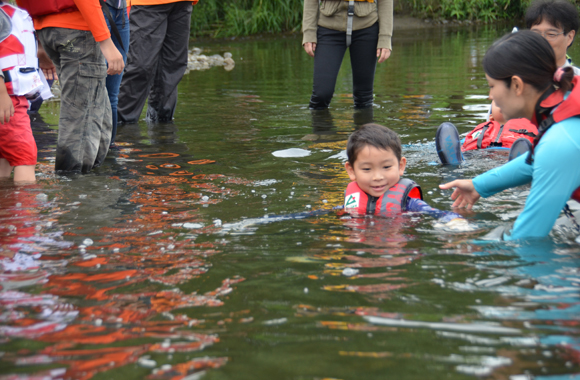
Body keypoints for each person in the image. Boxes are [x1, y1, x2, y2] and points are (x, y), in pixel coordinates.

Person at [440, 31, 580, 240]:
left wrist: (473, 248)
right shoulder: (564, 101)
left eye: (492, 86)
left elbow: (528, 238)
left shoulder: (560, 141)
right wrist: (479, 185)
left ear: (516, 85)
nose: (490, 96)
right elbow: (539, 158)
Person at [16, 0, 125, 174]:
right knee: (80, 120)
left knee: (98, 116)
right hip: (78, 32)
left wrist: (38, 40)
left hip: (48, 29)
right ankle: (72, 188)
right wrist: (106, 42)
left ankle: (92, 181)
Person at [344, 124, 466, 226]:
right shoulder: (352, 200)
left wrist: (454, 220)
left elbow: (434, 212)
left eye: (386, 167)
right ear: (351, 170)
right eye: (366, 169)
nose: (378, 177)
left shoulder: (408, 203)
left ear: (401, 166)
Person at [117, 0, 197, 124]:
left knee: (173, 67)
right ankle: (120, 128)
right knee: (140, 66)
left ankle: (162, 132)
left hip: (182, 3)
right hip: (146, 4)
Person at [303, 0, 393, 110]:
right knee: (321, 95)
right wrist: (309, 32)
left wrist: (385, 37)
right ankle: (321, 127)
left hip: (366, 28)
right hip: (328, 28)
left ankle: (364, 126)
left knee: (363, 98)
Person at [0, 1, 51, 182]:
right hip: (9, 100)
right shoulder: (4, 16)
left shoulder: (8, 13)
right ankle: (25, 207)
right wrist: (1, 95)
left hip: (9, 97)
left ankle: (6, 204)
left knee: (4, 155)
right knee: (25, 157)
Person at [436, 100, 538, 165]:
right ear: (491, 117)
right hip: (474, 153)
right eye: (499, 102)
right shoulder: (485, 128)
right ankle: (455, 160)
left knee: (528, 150)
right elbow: (464, 142)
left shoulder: (533, 127)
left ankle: (521, 163)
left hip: (513, 151)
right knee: (461, 149)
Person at [102, 0, 130, 148]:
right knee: (96, 91)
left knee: (112, 95)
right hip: (97, 9)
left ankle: (109, 149)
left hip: (121, 9)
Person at [526, 0, 580, 75]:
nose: (541, 41)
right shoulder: (515, 77)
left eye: (551, 34)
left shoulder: (577, 79)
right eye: (536, 34)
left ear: (569, 37)